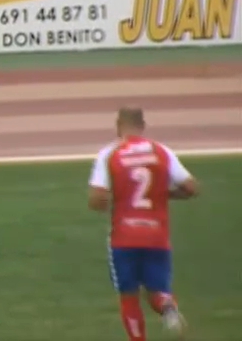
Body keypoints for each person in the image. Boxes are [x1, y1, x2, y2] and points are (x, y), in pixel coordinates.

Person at [88, 107, 199, 341]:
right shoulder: (162, 151)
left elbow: (97, 199)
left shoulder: (110, 153)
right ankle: (168, 306)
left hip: (124, 237)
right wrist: (162, 194)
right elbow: (191, 187)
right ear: (143, 125)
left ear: (118, 125)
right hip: (157, 235)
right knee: (157, 291)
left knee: (128, 295)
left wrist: (115, 197)